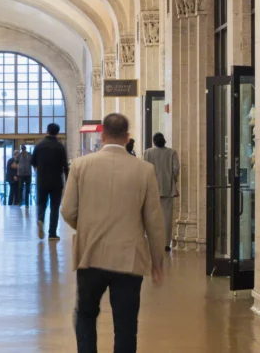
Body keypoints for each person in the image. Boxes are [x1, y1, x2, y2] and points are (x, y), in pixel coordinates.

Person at [61, 113, 166, 353]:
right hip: (129, 258)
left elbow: (67, 210)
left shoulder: (80, 165)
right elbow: (154, 222)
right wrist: (157, 262)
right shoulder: (145, 170)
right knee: (126, 325)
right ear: (127, 138)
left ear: (102, 135)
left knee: (86, 316)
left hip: (90, 256)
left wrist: (87, 227)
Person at [31, 122, 69, 240]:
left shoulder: (39, 145)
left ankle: (40, 219)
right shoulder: (60, 146)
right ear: (57, 133)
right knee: (54, 206)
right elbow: (65, 166)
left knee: (41, 203)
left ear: (47, 131)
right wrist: (68, 180)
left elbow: (33, 162)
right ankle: (52, 233)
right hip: (56, 181)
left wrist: (40, 169)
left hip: (42, 180)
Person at [143, 132, 180, 251]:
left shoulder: (148, 152)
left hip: (151, 189)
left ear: (154, 142)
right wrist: (173, 180)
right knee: (167, 216)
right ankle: (166, 243)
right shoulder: (172, 152)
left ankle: (153, 242)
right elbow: (176, 169)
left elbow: (145, 169)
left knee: (151, 216)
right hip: (168, 188)